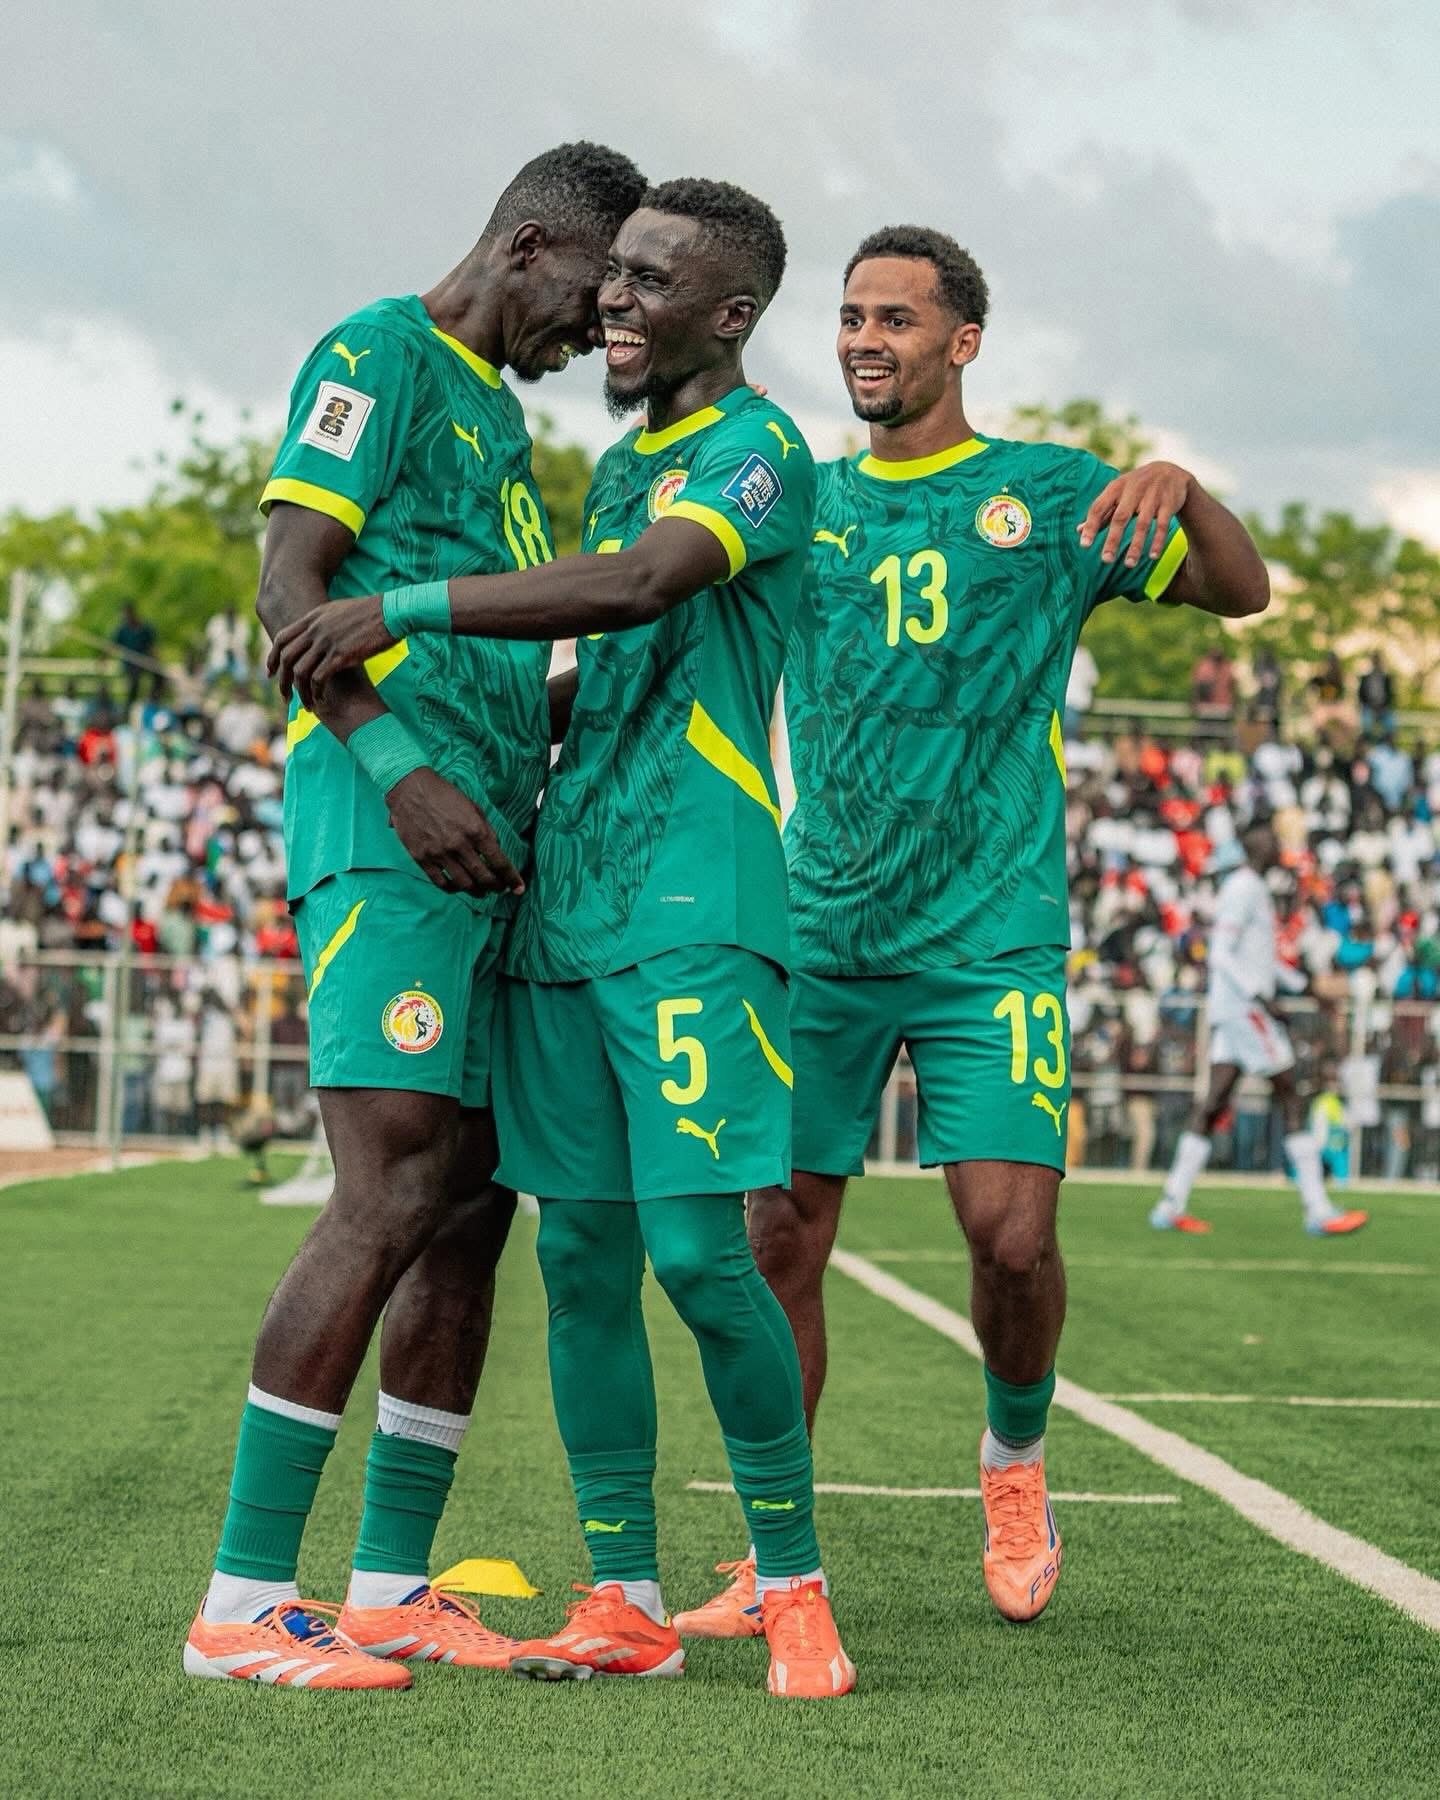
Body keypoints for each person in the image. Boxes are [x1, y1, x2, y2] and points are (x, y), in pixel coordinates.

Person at [270, 179, 855, 1700]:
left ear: (729, 313)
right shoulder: (610, 469)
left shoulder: (762, 452)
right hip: (560, 905)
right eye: (616, 274)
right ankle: (622, 1598)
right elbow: (608, 665)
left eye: (651, 280)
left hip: (695, 900)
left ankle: (791, 1585)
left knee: (702, 1253)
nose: (617, 302)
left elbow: (646, 585)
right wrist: (437, 733)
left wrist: (403, 609)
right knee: (583, 1259)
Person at [669, 222, 1272, 1641]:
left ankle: (1014, 1460)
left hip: (989, 934)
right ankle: (775, 1551)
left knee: (1010, 1238)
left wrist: (1184, 488)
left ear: (963, 342)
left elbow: (1242, 592)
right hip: (818, 929)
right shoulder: (798, 501)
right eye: (851, 317)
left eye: (896, 318)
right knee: (778, 1238)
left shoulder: (1050, 496)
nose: (865, 340)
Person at [183, 141, 649, 1694]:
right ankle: (243, 1604)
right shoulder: (374, 353)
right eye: (595, 296)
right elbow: (290, 586)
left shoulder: (502, 424)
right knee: (385, 1194)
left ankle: (388, 1588)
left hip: (490, 861)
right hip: (393, 841)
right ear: (529, 246)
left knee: (469, 1210)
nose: (599, 334)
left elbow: (485, 653)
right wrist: (400, 774)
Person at [1151, 826, 1369, 1236]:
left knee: (1213, 1103)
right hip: (1244, 1009)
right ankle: (1318, 1209)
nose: (1279, 846)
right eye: (1272, 841)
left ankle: (1170, 1204)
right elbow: (1221, 953)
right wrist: (1260, 997)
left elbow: (1261, 960)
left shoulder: (1251, 888)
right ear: (1258, 848)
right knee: (1291, 1094)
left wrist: (1303, 987)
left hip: (1235, 1007)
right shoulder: (1244, 888)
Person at [113, 604, 158, 712]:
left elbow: (152, 646)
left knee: (158, 677)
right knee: (134, 683)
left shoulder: (145, 628)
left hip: (144, 661)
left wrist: (155, 660)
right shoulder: (122, 630)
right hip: (130, 664)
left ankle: (153, 700)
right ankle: (129, 708)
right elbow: (113, 644)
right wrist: (103, 658)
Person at [1064, 641, 1098, 740]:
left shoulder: (1083, 654)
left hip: (1073, 703)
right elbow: (1093, 680)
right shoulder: (1084, 655)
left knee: (1070, 739)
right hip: (1074, 704)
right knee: (1071, 738)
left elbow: (1092, 680)